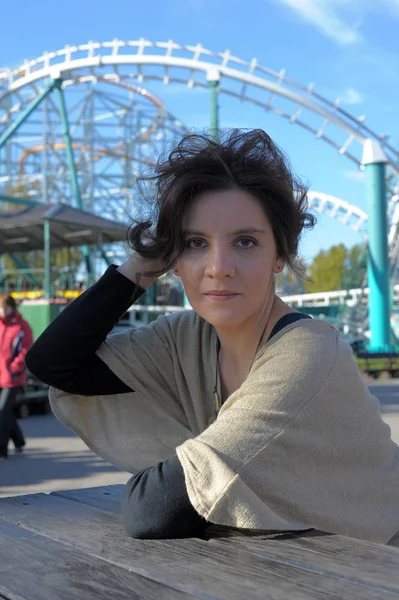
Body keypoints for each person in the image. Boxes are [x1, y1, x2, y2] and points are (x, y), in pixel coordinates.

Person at [26, 129, 399, 546]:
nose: (219, 267)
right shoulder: (188, 337)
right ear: (172, 258)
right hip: (301, 565)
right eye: (195, 243)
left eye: (245, 241)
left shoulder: (307, 352)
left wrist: (176, 478)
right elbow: (55, 364)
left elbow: (154, 509)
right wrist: (142, 265)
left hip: (380, 566)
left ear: (280, 255)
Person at [0, 294, 33, 459]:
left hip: (12, 378)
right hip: (0, 375)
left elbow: (25, 351)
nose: (2, 311)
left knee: (2, 411)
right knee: (4, 411)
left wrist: (14, 369)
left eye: (5, 307)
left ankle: (2, 449)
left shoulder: (21, 327)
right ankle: (19, 441)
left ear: (12, 308)